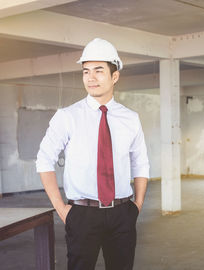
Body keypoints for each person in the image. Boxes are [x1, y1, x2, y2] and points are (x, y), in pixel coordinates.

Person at [36, 38, 150, 270]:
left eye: (99, 71)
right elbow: (44, 159)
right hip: (82, 215)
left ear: (114, 76)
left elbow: (140, 163)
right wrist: (62, 209)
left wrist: (136, 205)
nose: (91, 78)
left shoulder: (130, 118)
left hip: (122, 213)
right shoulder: (67, 116)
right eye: (86, 71)